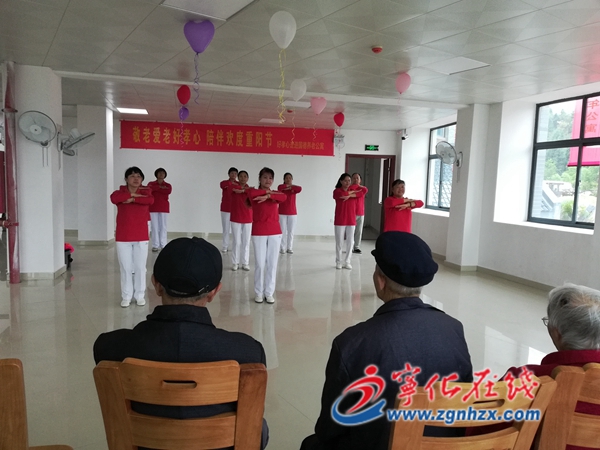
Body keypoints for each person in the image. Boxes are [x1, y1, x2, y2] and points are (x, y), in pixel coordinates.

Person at [301, 231, 473, 450]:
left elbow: (330, 429)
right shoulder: (454, 328)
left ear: (380, 281)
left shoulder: (351, 343)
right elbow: (462, 401)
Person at [93, 237, 268, 449]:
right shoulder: (248, 353)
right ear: (214, 292)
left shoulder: (109, 348)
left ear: (156, 284)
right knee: (260, 427)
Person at [110, 167, 154, 308]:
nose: (136, 179)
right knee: (126, 268)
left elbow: (150, 200)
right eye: (132, 176)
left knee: (140, 267)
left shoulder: (146, 192)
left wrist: (133, 199)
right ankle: (126, 296)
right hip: (123, 236)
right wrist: (132, 195)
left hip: (141, 235)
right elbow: (114, 198)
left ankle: (140, 295)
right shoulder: (119, 192)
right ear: (126, 179)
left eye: (139, 176)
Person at [247, 167, 286, 304]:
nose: (268, 180)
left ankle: (269, 293)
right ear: (259, 179)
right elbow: (251, 193)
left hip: (275, 231)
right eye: (265, 177)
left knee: (272, 264)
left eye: (270, 178)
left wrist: (269, 196)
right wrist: (268, 193)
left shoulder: (275, 194)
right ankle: (258, 292)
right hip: (259, 231)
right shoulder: (254, 192)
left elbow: (284, 196)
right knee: (260, 264)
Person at [333, 173, 364, 270]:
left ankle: (347, 261)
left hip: (351, 219)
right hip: (340, 220)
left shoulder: (352, 189)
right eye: (345, 180)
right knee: (339, 242)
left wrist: (350, 194)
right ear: (341, 181)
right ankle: (338, 261)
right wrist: (353, 194)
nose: (348, 182)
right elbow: (343, 195)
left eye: (349, 181)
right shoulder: (337, 191)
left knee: (350, 242)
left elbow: (364, 191)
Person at [230, 170, 253, 272]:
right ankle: (235, 263)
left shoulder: (250, 190)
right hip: (236, 217)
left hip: (248, 218)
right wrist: (243, 190)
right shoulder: (233, 187)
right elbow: (231, 189)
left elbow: (252, 192)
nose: (243, 178)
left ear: (247, 178)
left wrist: (243, 191)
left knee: (246, 241)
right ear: (238, 178)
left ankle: (245, 263)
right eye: (241, 176)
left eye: (245, 176)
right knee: (236, 241)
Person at [148, 167, 172, 252]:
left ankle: (163, 244)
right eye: (159, 173)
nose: (161, 174)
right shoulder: (151, 183)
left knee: (163, 227)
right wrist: (161, 188)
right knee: (154, 227)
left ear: (165, 175)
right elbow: (150, 190)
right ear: (156, 174)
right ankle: (155, 245)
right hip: (153, 207)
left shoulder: (168, 185)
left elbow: (168, 191)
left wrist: (157, 188)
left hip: (164, 207)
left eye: (163, 173)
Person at [278, 172, 302, 255]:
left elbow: (299, 188)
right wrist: (288, 187)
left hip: (292, 213)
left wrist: (290, 187)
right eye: (286, 178)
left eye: (290, 178)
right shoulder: (281, 187)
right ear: (284, 179)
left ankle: (289, 247)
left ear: (292, 179)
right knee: (282, 231)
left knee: (291, 231)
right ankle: (282, 248)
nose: (288, 179)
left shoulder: (294, 189)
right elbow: (279, 188)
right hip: (282, 212)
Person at [220, 167, 239, 253]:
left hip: (236, 209)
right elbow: (223, 186)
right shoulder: (224, 183)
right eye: (232, 173)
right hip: (226, 209)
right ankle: (225, 246)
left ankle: (235, 246)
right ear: (229, 174)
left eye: (235, 173)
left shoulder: (239, 184)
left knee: (236, 229)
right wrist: (232, 184)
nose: (234, 175)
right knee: (226, 228)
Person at [351, 173, 368, 254]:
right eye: (354, 178)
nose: (355, 180)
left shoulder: (363, 189)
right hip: (351, 213)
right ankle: (350, 246)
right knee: (351, 231)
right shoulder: (349, 188)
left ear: (360, 180)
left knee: (359, 231)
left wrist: (358, 189)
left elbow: (365, 190)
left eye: (357, 178)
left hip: (360, 213)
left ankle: (356, 247)